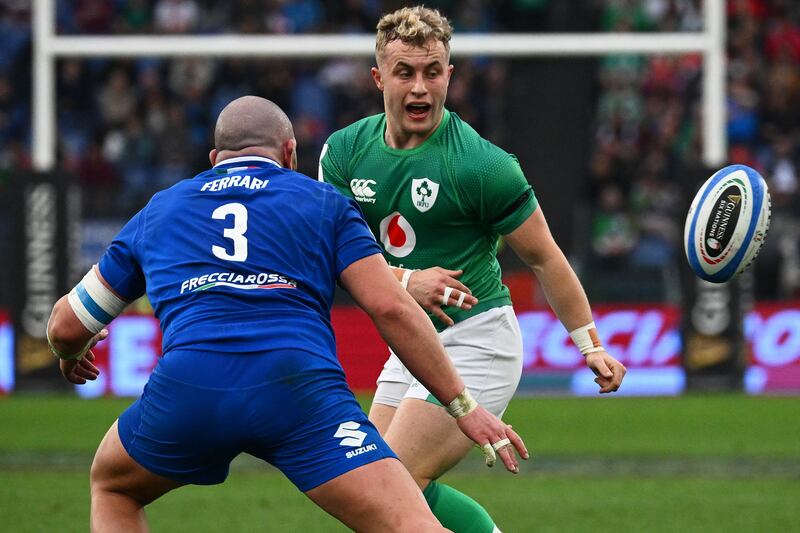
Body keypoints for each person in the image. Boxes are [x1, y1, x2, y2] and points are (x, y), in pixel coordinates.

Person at [46, 96, 528, 533]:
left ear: (214, 160)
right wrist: (463, 406)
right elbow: (390, 306)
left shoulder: (160, 210)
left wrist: (72, 354)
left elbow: (65, 326)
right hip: (298, 392)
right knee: (410, 524)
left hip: (191, 387)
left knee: (114, 486)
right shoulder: (324, 202)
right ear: (291, 154)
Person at [318, 7, 627, 532]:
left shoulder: (483, 166)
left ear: (450, 75)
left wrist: (589, 343)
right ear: (378, 78)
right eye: (405, 72)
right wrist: (406, 281)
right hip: (412, 340)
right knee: (372, 488)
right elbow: (325, 252)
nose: (420, 87)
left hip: (479, 341)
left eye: (432, 71)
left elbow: (545, 256)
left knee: (386, 491)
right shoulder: (345, 153)